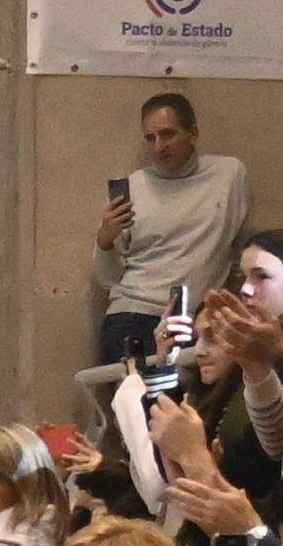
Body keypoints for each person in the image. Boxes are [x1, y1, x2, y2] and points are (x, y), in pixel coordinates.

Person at [94, 89, 249, 368]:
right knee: (138, 407)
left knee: (189, 408)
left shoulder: (228, 175)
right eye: (150, 138)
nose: (159, 146)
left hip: (192, 317)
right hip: (134, 311)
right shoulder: (134, 187)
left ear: (193, 132)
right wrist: (105, 241)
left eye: (168, 134)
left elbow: (235, 243)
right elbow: (107, 279)